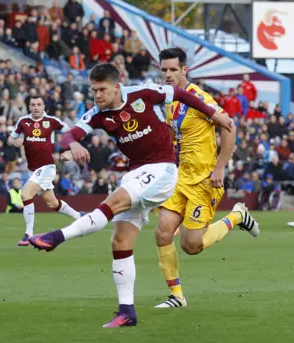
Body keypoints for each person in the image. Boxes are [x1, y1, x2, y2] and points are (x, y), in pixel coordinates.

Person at [26, 63, 234, 328]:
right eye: (93, 90)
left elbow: (180, 94)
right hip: (136, 174)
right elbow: (68, 136)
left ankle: (57, 237)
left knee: (111, 203)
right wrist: (75, 143)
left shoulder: (143, 93)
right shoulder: (98, 114)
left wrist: (213, 112)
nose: (97, 95)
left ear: (116, 86)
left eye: (101, 90)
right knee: (120, 241)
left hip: (162, 170)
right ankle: (127, 311)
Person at [154, 48, 259, 309]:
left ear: (184, 70)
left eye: (173, 70)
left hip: (204, 180)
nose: (167, 74)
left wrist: (221, 167)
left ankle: (237, 216)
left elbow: (229, 127)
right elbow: (170, 133)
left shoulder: (200, 98)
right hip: (180, 177)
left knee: (191, 245)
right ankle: (177, 296)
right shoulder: (169, 100)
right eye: (164, 69)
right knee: (162, 232)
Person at [8, 94, 82, 246]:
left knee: (25, 194)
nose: (36, 107)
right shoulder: (23, 121)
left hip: (47, 167)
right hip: (32, 170)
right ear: (29, 107)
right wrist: (15, 141)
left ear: (43, 107)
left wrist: (70, 150)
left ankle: (28, 233)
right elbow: (10, 138)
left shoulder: (52, 121)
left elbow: (71, 132)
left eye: (39, 104)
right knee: (52, 203)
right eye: (33, 104)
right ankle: (79, 216)